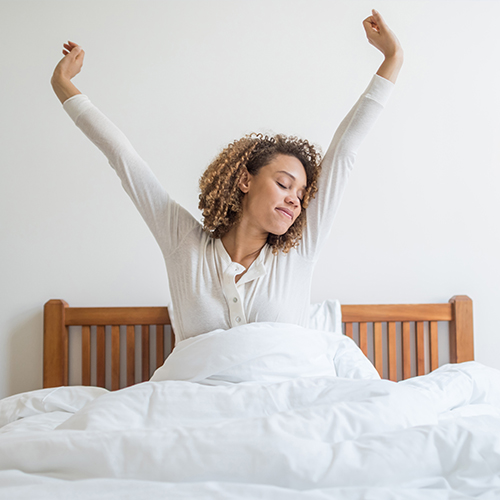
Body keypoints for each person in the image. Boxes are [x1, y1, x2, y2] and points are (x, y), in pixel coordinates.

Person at [51, 10, 403, 343]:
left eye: (300, 193)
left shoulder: (300, 251)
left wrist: (393, 59)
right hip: (200, 402)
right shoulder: (184, 245)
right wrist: (63, 85)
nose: (295, 199)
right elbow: (124, 159)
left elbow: (344, 152)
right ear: (245, 181)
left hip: (286, 403)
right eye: (283, 183)